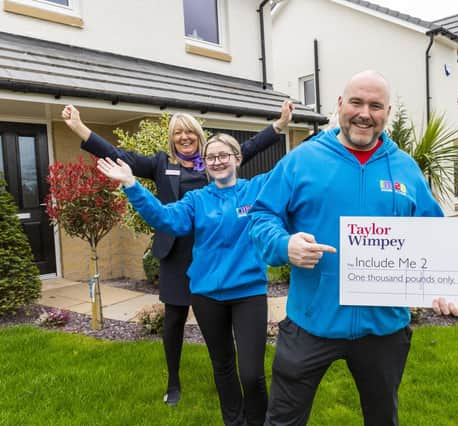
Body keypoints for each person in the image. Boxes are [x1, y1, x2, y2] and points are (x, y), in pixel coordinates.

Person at [249, 70, 458, 425]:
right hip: (311, 321)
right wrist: (284, 244)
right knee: (283, 420)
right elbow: (261, 216)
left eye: (375, 105)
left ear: (387, 112)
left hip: (383, 328)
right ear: (340, 105)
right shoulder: (302, 160)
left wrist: (443, 283)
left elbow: (433, 235)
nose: (365, 113)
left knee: (382, 419)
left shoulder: (406, 169)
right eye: (357, 102)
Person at [62, 101, 293, 407]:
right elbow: (122, 161)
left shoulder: (225, 166)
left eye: (189, 132)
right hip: (182, 255)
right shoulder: (165, 168)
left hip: (231, 260)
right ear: (172, 140)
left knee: (249, 371)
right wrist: (81, 129)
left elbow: (255, 150)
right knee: (179, 325)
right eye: (178, 133)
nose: (184, 137)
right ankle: (176, 383)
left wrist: (279, 126)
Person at [97, 132, 274, 425]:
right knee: (223, 366)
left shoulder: (256, 189)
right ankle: (234, 421)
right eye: (211, 157)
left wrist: (334, 134)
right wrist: (131, 184)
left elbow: (296, 169)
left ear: (237, 158)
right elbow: (164, 218)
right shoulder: (196, 200)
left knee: (252, 374)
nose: (217, 161)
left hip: (249, 293)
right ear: (204, 164)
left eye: (223, 155)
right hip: (207, 295)